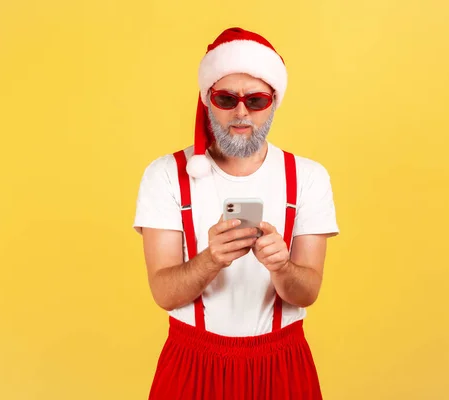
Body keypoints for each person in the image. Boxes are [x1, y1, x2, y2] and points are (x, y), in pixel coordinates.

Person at [133, 27, 340, 400]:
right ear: (207, 100)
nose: (241, 112)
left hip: (281, 364)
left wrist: (281, 266)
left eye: (256, 100)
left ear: (274, 101)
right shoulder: (165, 175)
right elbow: (163, 292)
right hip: (191, 362)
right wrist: (211, 259)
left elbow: (307, 292)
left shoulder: (308, 178)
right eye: (226, 98)